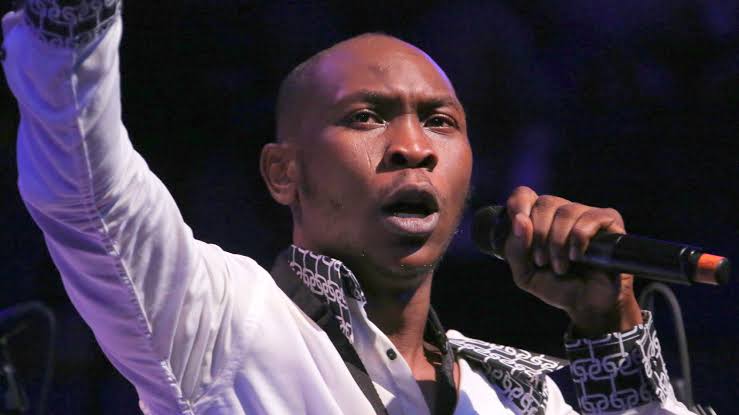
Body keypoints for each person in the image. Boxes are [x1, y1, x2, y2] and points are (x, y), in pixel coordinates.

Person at [1, 2, 694, 414]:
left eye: (441, 122)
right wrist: (71, 21)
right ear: (283, 173)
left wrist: (610, 331)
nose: (413, 147)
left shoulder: (517, 394)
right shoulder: (221, 320)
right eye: (366, 117)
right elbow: (89, 194)